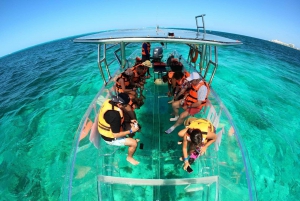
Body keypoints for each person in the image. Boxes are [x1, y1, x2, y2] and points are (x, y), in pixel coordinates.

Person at [98, 93, 140, 165]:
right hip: (109, 137)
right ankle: (129, 158)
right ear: (119, 104)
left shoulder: (109, 101)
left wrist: (131, 120)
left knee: (135, 126)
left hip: (111, 128)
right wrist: (131, 131)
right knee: (134, 143)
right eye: (125, 105)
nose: (126, 106)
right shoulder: (114, 115)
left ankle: (128, 139)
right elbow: (116, 135)